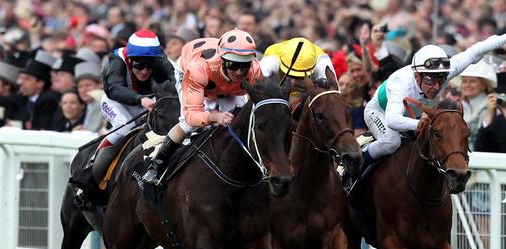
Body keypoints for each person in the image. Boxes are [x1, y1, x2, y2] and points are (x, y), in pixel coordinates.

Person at [362, 20, 506, 169]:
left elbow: (477, 50)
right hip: (380, 112)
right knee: (391, 142)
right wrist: (417, 124)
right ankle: (357, 165)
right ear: (417, 75)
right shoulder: (403, 84)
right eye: (430, 79)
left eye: (441, 79)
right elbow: (392, 120)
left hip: (414, 116)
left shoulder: (445, 72)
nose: (436, 86)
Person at [142, 28, 263, 184]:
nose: (239, 72)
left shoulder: (255, 71)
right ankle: (157, 165)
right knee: (187, 124)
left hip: (224, 85)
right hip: (192, 71)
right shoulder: (198, 68)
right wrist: (214, 116)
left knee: (240, 122)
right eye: (233, 64)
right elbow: (191, 115)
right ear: (223, 59)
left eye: (244, 65)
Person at [98, 29, 175, 151]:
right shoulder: (118, 60)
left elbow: (177, 83)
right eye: (139, 65)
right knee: (124, 127)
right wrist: (140, 99)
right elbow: (115, 88)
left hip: (146, 104)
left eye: (149, 66)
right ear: (129, 59)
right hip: (116, 102)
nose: (144, 71)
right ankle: (95, 159)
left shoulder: (162, 61)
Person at [260, 37, 337, 112]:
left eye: (300, 77)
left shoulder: (322, 60)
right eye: (290, 76)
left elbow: (333, 95)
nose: (293, 82)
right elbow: (256, 86)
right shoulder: (272, 57)